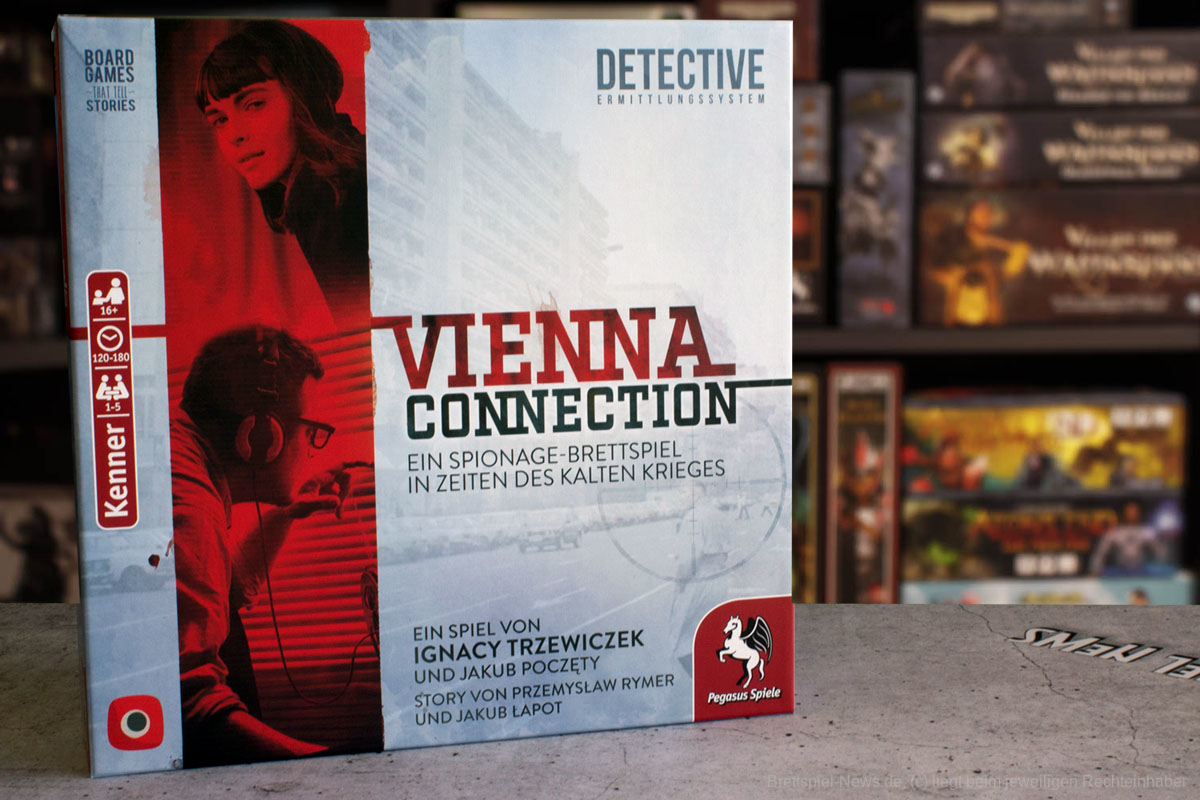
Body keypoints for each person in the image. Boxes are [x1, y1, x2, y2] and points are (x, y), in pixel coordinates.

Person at [172, 325, 355, 766]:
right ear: (261, 435)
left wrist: (286, 513)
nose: (313, 449)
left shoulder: (184, 461)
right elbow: (191, 710)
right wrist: (331, 768)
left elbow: (221, 598)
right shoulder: (189, 504)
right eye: (312, 432)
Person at [194, 21, 368, 315]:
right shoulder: (324, 186)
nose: (235, 135)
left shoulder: (330, 196)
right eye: (220, 120)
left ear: (303, 97)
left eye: (254, 104)